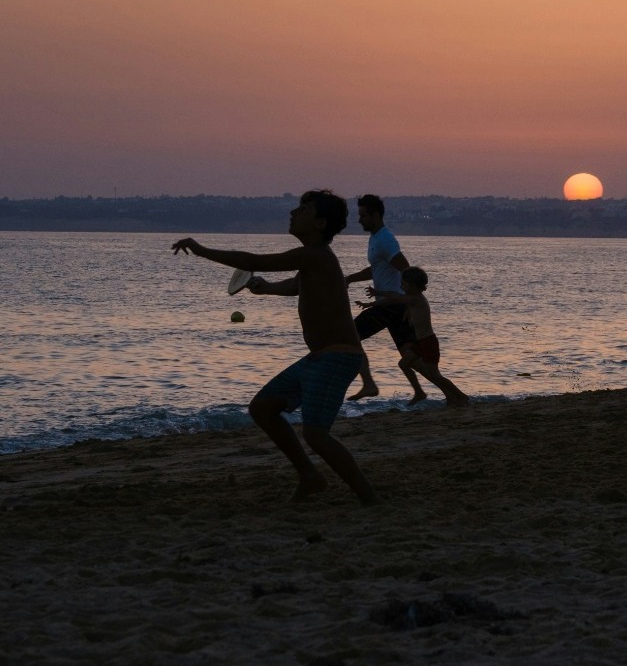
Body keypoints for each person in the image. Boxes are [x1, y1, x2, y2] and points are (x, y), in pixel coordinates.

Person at [171, 190, 379, 505]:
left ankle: (368, 497)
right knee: (262, 409)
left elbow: (253, 261)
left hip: (338, 357)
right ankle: (309, 475)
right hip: (317, 359)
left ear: (320, 223)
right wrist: (267, 290)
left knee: (315, 433)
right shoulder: (313, 260)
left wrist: (201, 250)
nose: (293, 212)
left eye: (303, 209)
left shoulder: (315, 255)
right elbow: (298, 285)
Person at [343, 195, 424, 404]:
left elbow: (406, 269)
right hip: (394, 304)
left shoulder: (385, 239)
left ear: (375, 215)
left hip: (391, 305)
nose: (359, 219)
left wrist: (410, 302)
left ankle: (369, 384)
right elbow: (377, 269)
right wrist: (351, 278)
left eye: (363, 215)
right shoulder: (376, 238)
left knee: (350, 337)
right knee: (409, 354)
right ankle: (435, 391)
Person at [356, 267, 470, 406]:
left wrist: (374, 299)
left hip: (428, 342)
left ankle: (461, 396)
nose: (401, 286)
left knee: (435, 375)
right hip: (420, 342)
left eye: (403, 284)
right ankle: (420, 392)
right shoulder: (412, 299)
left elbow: (394, 298)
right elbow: (394, 296)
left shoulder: (417, 299)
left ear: (413, 286)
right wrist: (372, 301)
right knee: (403, 364)